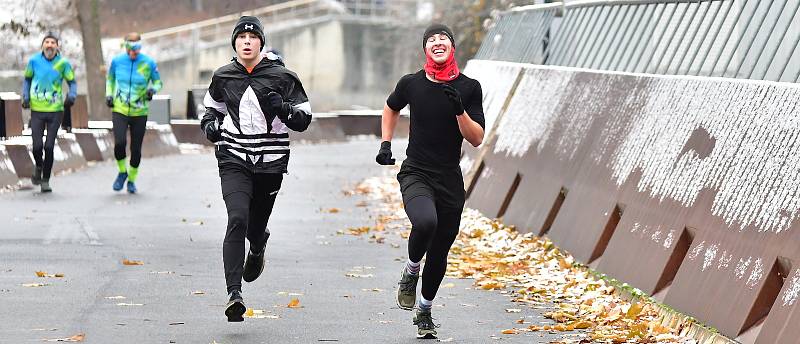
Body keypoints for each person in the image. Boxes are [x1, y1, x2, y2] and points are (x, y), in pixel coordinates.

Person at [200, 16, 312, 322]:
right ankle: (234, 294)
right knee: (236, 218)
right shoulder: (223, 76)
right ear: (234, 43)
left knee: (253, 225)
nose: (247, 41)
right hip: (233, 156)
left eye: (253, 37)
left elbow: (303, 118)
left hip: (271, 162)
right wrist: (209, 125)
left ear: (261, 42)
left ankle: (258, 244)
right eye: (241, 37)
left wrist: (283, 109)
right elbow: (211, 107)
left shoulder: (283, 76)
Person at [376, 24, 485, 339]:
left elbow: (476, 139)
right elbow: (390, 106)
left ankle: (424, 310)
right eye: (432, 40)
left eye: (443, 39)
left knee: (439, 251)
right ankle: (410, 271)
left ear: (452, 47)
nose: (438, 42)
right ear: (425, 49)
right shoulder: (411, 84)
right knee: (425, 222)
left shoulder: (469, 87)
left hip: (449, 178)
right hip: (416, 172)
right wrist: (385, 144)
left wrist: (460, 111)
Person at [106, 32, 163, 194]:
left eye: (137, 49)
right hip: (120, 108)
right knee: (119, 143)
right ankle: (122, 171)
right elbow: (110, 80)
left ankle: (131, 179)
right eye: (131, 49)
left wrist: (152, 90)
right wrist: (108, 95)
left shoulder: (148, 63)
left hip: (140, 110)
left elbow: (158, 82)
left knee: (136, 149)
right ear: (125, 46)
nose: (134, 52)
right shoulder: (117, 61)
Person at [21, 32, 77, 193]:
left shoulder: (63, 64)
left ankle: (45, 180)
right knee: (37, 146)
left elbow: (72, 82)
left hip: (55, 111)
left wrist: (71, 96)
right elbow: (27, 80)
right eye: (47, 42)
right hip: (37, 110)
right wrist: (25, 96)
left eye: (53, 42)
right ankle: (39, 166)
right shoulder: (34, 61)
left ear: (57, 47)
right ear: (43, 45)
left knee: (49, 146)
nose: (50, 45)